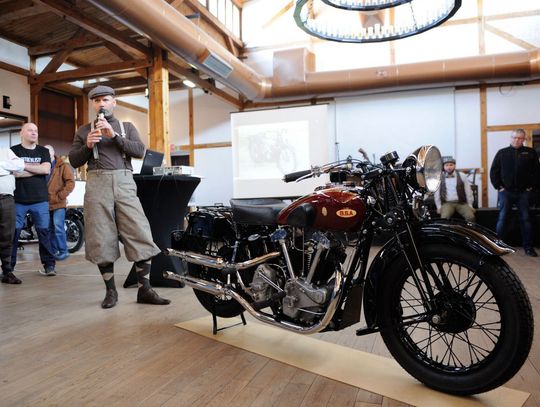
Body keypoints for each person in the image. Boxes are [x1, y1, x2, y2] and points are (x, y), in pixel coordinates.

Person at [68, 85, 170, 308]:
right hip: (97, 182)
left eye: (105, 99)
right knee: (100, 235)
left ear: (114, 102)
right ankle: (111, 291)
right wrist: (87, 146)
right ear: (93, 105)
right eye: (97, 101)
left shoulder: (127, 127)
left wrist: (114, 136)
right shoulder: (84, 130)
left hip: (124, 181)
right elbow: (74, 160)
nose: (101, 104)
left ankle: (145, 289)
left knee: (139, 231)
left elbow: (140, 151)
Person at [11, 123, 57, 276]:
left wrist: (23, 166)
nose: (34, 133)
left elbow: (46, 169)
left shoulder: (43, 151)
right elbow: (14, 173)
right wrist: (37, 169)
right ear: (21, 133)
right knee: (13, 234)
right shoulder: (13, 151)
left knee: (44, 233)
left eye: (36, 130)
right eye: (30, 130)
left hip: (40, 200)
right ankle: (8, 268)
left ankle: (49, 266)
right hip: (18, 200)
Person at [490, 129, 540, 257]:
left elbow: (537, 172)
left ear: (524, 139)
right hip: (506, 192)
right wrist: (498, 186)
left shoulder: (531, 153)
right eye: (514, 137)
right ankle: (497, 247)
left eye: (520, 138)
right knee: (503, 218)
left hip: (523, 193)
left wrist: (531, 187)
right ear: (510, 138)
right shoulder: (502, 153)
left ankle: (528, 247)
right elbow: (494, 171)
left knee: (526, 219)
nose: (516, 140)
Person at [45, 145, 75, 261]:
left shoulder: (63, 166)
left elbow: (70, 183)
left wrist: (61, 196)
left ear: (53, 153)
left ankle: (64, 251)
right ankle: (54, 251)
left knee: (58, 227)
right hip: (46, 203)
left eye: (48, 151)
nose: (46, 154)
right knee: (49, 229)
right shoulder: (43, 166)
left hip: (58, 202)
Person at [0, 147, 25, 284]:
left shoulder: (5, 151)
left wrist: (1, 165)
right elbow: (13, 167)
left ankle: (7, 272)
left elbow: (20, 165)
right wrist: (7, 168)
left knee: (7, 235)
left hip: (7, 198)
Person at [434, 156, 475, 222]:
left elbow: (468, 191)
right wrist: (438, 207)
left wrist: (470, 205)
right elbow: (437, 194)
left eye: (451, 165)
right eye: (447, 165)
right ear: (444, 167)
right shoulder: (439, 177)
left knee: (471, 217)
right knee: (444, 218)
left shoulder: (462, 175)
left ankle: (468, 229)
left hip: (461, 203)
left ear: (454, 166)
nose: (449, 167)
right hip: (447, 203)